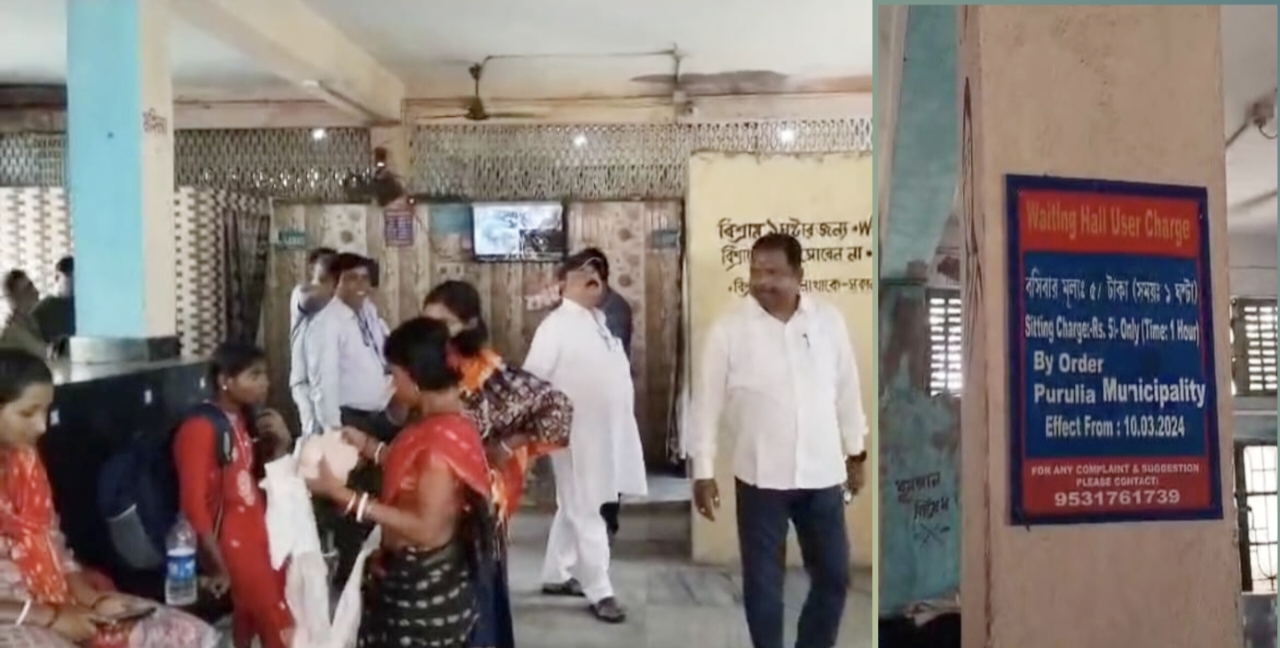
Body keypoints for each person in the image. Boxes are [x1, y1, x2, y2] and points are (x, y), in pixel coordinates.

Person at [689, 233, 868, 648]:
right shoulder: (729, 330)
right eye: (755, 271)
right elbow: (706, 405)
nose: (762, 281)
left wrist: (856, 453)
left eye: (773, 272)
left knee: (834, 576)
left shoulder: (828, 322)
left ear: (798, 274)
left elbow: (847, 391)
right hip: (760, 478)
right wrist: (703, 471)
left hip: (823, 475)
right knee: (764, 587)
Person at [0, 348, 219, 648]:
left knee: (185, 633)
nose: (41, 426)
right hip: (15, 616)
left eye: (46, 411)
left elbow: (53, 545)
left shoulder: (25, 463)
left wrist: (93, 600)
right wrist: (51, 617)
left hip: (54, 598)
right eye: (27, 413)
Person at [305, 317, 493, 648]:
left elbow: (425, 528)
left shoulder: (438, 443)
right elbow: (413, 470)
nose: (391, 384)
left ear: (415, 377)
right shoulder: (444, 421)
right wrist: (369, 446)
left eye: (393, 374)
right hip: (413, 574)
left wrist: (345, 496)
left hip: (422, 593)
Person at [422, 280, 572, 648]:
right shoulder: (428, 362)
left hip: (479, 498)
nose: (434, 331)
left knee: (478, 586)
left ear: (470, 324)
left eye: (443, 323)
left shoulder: (491, 372)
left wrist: (507, 444)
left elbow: (557, 407)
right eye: (428, 321)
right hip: (434, 491)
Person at [524, 251, 647, 624]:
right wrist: (528, 435)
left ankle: (556, 575)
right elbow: (532, 381)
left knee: (574, 505)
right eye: (582, 273)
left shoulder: (600, 321)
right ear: (563, 283)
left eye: (598, 273)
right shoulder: (555, 327)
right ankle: (600, 590)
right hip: (575, 435)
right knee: (589, 508)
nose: (592, 277)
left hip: (606, 432)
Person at [174, 342, 295, 648]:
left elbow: (251, 484)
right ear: (225, 381)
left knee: (255, 618)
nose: (264, 383)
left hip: (258, 535)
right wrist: (218, 566)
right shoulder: (200, 428)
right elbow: (193, 505)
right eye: (254, 375)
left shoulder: (241, 421)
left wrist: (281, 445)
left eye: (264, 375)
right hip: (232, 544)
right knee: (275, 619)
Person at [304, 253, 395, 582]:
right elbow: (323, 382)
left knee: (377, 496)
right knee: (349, 502)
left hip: (378, 416)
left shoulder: (368, 313)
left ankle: (366, 569)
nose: (360, 285)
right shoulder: (326, 323)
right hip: (348, 421)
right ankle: (346, 574)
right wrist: (335, 431)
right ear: (335, 283)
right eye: (350, 278)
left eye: (364, 278)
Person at [572, 248, 632, 541]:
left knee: (607, 466)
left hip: (606, 399)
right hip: (581, 398)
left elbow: (605, 352)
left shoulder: (615, 309)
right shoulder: (578, 306)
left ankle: (606, 524)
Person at [289, 252, 339, 438]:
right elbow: (311, 300)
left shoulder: (337, 303)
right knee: (312, 433)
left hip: (327, 384)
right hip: (305, 383)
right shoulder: (302, 293)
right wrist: (331, 285)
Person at [31, 257, 74, 351]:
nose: (73, 281)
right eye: (68, 276)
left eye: (76, 277)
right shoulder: (41, 310)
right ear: (57, 277)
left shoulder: (82, 308)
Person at [0, 271, 44, 358]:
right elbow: (43, 354)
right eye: (28, 289)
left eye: (32, 286)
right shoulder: (13, 333)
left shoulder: (33, 322)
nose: (36, 292)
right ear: (14, 298)